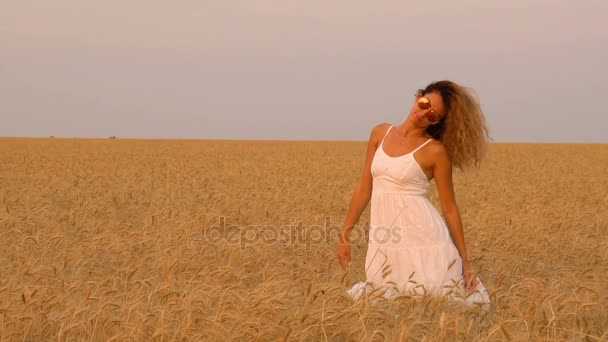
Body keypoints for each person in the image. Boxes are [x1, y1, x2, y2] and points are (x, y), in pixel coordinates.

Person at [336, 80, 491, 309]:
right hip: (386, 239)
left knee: (432, 305)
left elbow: (449, 208)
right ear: (418, 96)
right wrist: (345, 237)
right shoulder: (380, 133)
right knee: (383, 301)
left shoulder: (435, 152)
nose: (423, 113)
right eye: (424, 103)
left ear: (437, 122)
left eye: (433, 115)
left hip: (425, 241)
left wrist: (466, 264)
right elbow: (364, 188)